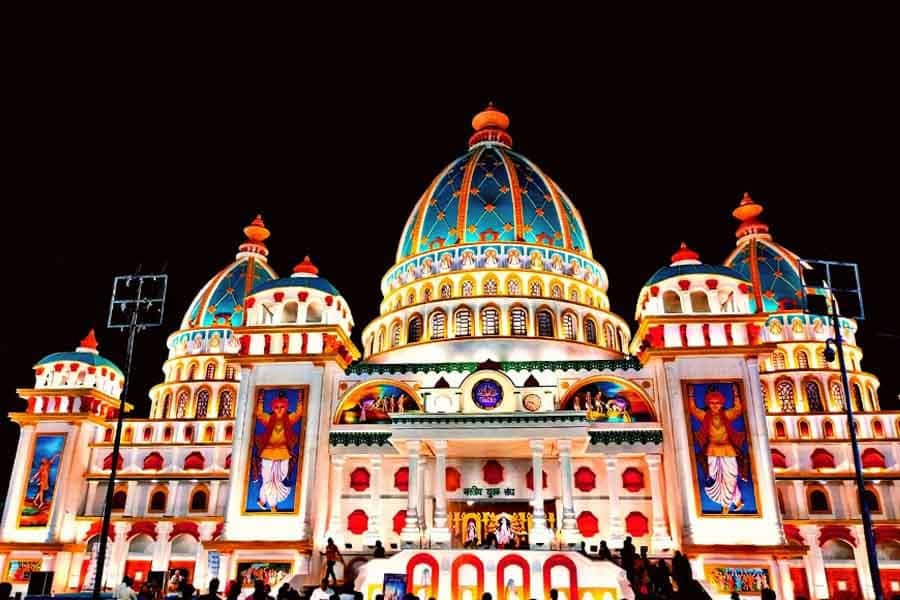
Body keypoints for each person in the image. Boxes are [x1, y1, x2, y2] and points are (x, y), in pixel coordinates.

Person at [688, 386, 748, 513]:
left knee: (731, 478)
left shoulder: (727, 415)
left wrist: (736, 393)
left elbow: (738, 409)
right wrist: (691, 395)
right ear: (708, 404)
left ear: (722, 404)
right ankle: (730, 502)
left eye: (718, 403)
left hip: (728, 450)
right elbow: (693, 410)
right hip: (712, 450)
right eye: (712, 403)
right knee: (718, 479)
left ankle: (730, 503)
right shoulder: (705, 416)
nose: (715, 406)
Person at [252, 392, 302, 511]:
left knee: (280, 478)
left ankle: (263, 500)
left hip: (283, 452)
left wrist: (300, 399)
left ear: (286, 408)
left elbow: (299, 414)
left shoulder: (289, 420)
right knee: (267, 480)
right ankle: (272, 504)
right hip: (268, 451)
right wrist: (260, 399)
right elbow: (259, 414)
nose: (279, 410)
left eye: (282, 407)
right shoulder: (269, 419)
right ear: (273, 408)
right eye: (276, 407)